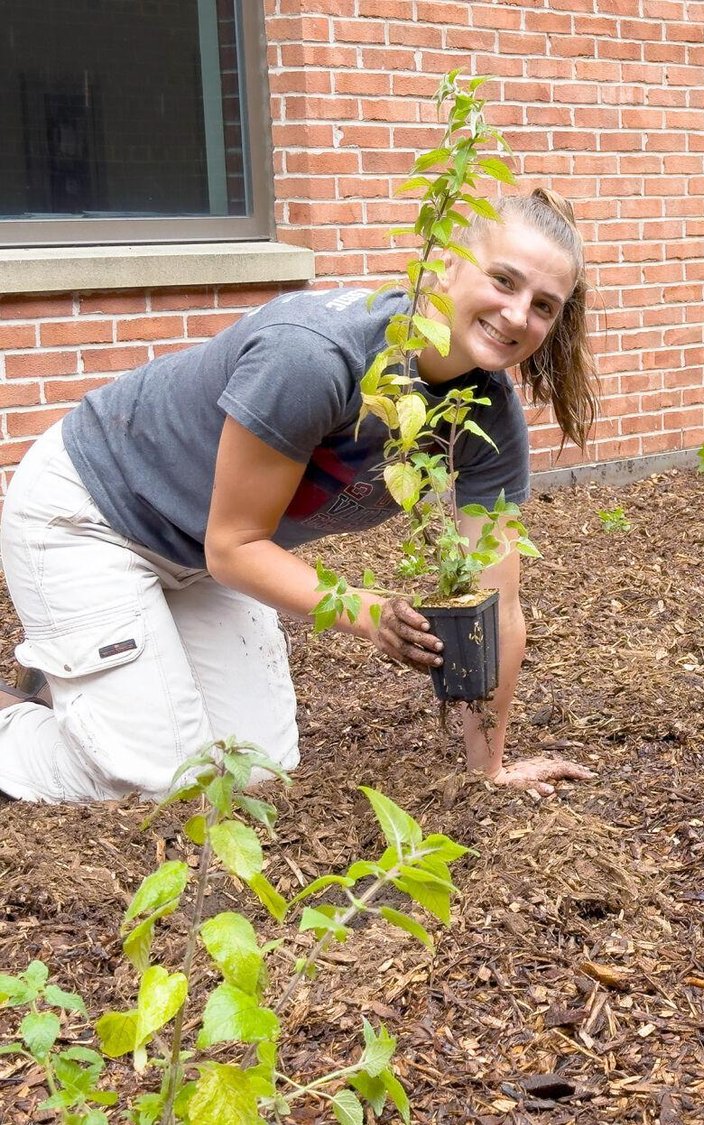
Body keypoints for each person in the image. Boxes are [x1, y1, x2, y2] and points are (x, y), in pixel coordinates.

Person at [0, 188, 599, 803]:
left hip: (199, 556)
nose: (518, 316)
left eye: (544, 306)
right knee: (160, 785)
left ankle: (90, 683)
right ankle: (25, 716)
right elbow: (235, 547)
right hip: (92, 513)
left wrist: (488, 768)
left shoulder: (486, 414)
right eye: (504, 280)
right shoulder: (316, 357)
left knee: (255, 774)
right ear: (444, 261)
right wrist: (371, 616)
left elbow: (495, 608)